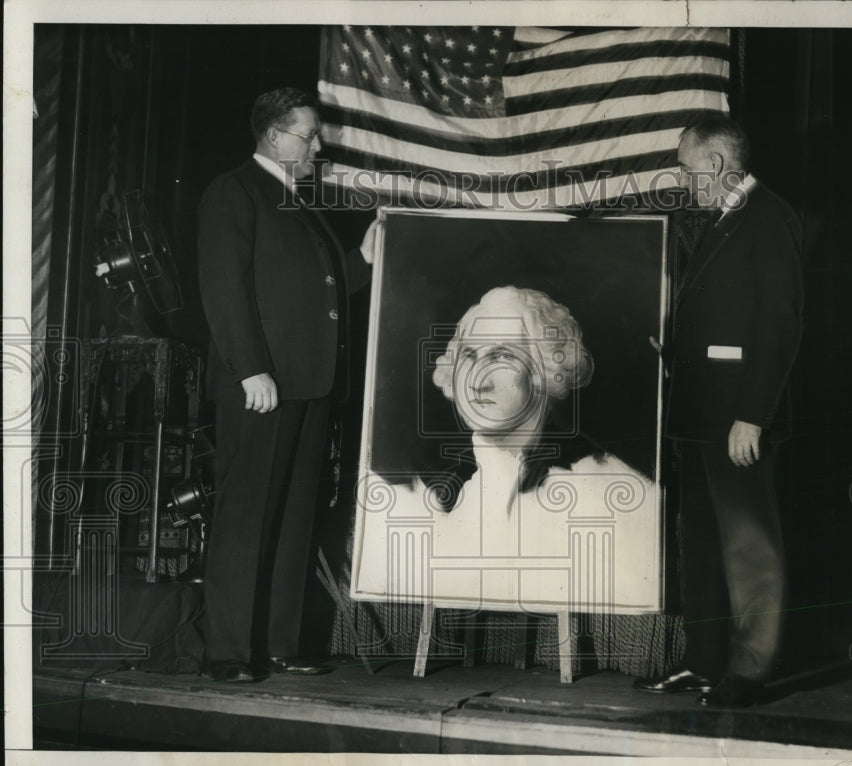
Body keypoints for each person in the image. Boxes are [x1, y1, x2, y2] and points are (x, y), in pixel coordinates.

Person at [197, 87, 372, 682]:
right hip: (262, 385)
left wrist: (365, 258)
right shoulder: (235, 191)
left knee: (295, 516)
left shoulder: (299, 202)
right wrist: (249, 368)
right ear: (275, 135)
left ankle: (278, 642)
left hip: (307, 382)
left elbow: (319, 293)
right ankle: (225, 651)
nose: (318, 146)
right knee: (247, 517)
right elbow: (223, 288)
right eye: (309, 135)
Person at [633, 115, 804, 707]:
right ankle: (703, 663)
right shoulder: (723, 220)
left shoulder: (768, 217)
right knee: (702, 546)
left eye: (686, 166)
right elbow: (722, 314)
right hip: (700, 414)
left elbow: (779, 327)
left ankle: (750, 672)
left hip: (735, 420)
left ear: (716, 166)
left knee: (749, 547)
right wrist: (675, 350)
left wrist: (752, 414)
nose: (682, 179)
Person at [353, 286, 659, 611]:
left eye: (502, 356)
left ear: (545, 372)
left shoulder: (606, 484)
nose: (477, 381)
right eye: (469, 356)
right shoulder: (424, 491)